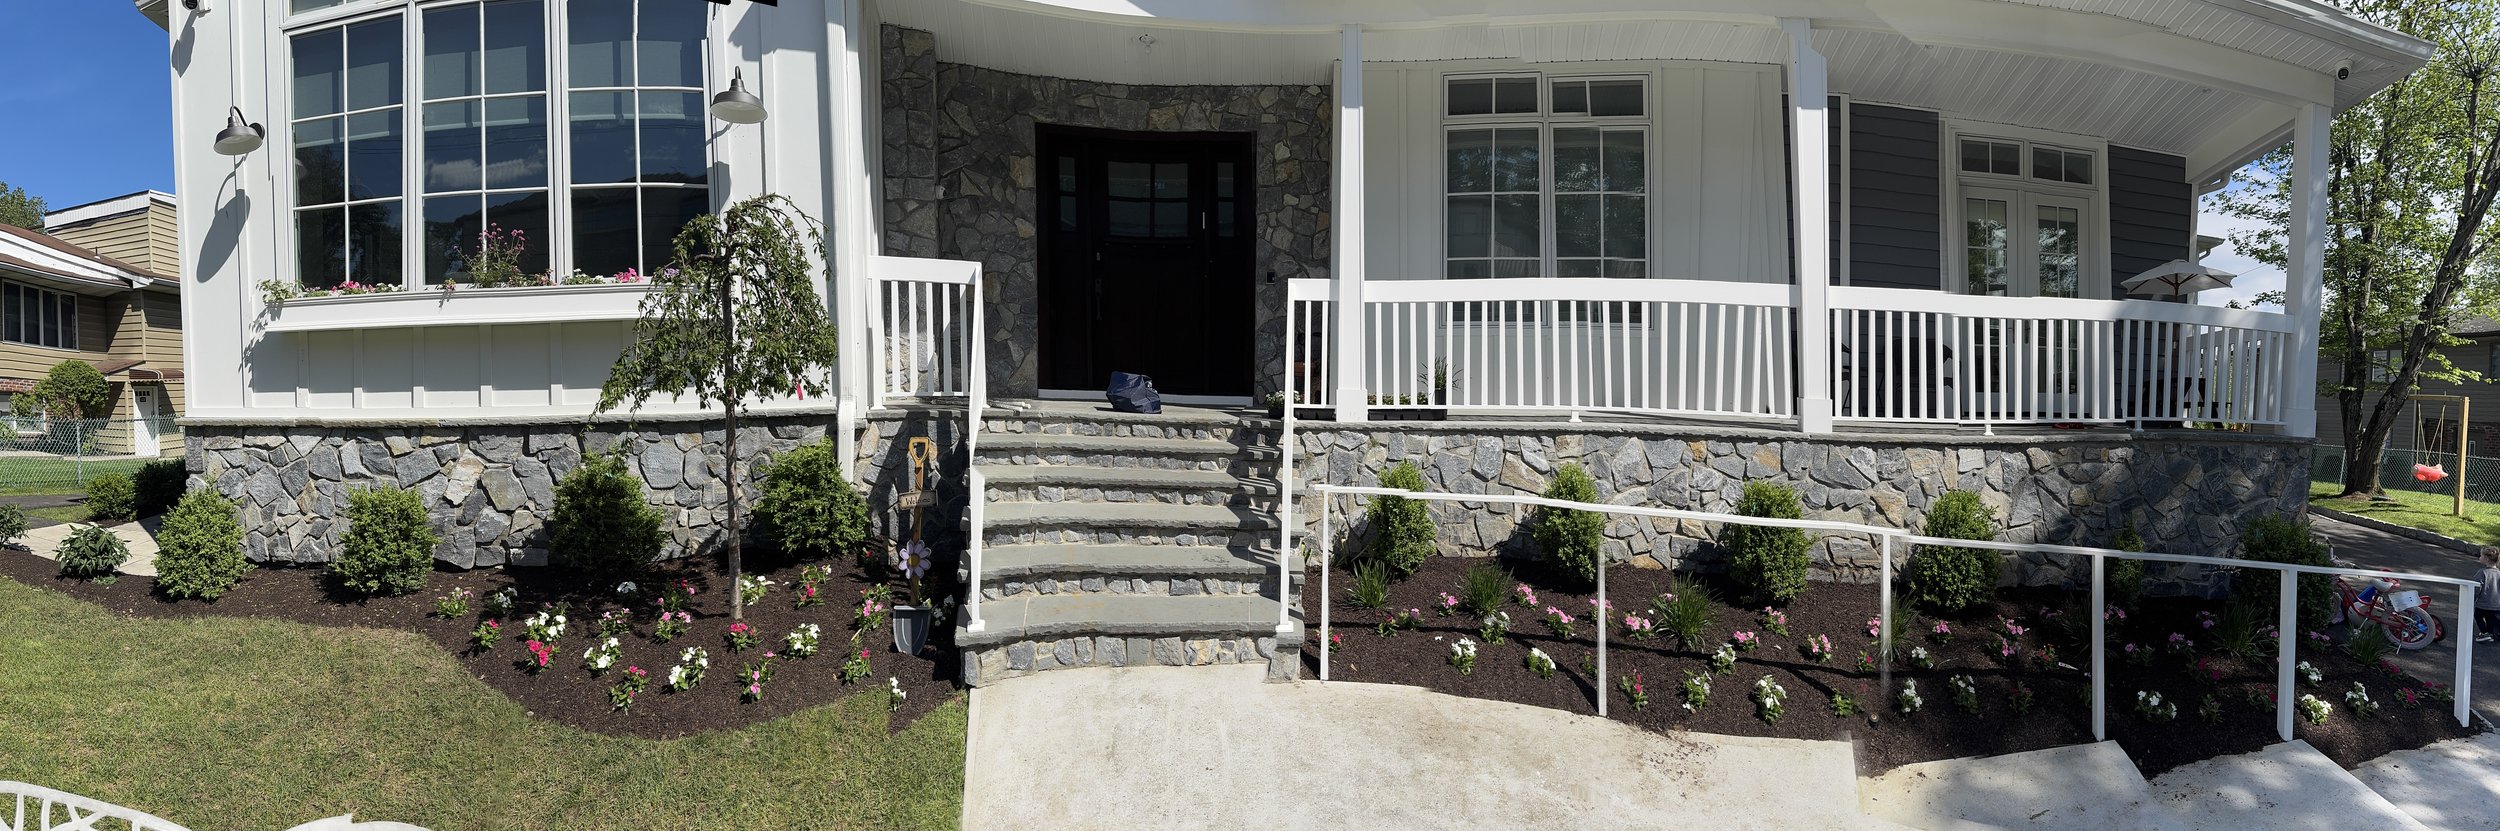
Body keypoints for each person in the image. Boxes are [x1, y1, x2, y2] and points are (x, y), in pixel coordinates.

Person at [2476, 547, 2500, 643]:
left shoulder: (2482, 572)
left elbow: (2477, 587)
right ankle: (2490, 633)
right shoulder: (2499, 573)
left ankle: (2484, 632)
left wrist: (2473, 599)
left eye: (2481, 555)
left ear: (2486, 559)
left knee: (2478, 616)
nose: (2480, 557)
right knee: (2491, 619)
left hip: (2483, 602)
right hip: (2496, 603)